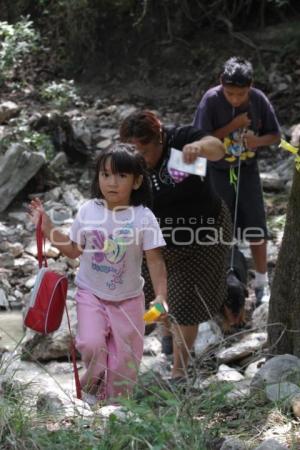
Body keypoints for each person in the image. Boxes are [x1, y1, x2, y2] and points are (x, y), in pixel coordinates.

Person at [28, 143, 167, 404]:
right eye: (105, 174)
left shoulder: (143, 217)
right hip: (91, 293)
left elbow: (156, 261)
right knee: (92, 344)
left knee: (125, 362)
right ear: (98, 177)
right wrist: (48, 228)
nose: (111, 182)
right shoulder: (88, 211)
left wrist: (161, 297)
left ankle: (114, 410)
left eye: (121, 176)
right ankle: (90, 394)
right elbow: (72, 250)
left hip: (129, 301)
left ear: (136, 181)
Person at [120, 110, 232, 382]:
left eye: (144, 151)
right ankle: (165, 335)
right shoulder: (129, 161)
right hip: (156, 239)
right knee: (153, 295)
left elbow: (218, 149)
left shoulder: (180, 138)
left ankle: (179, 372)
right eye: (134, 150)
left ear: (159, 139)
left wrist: (198, 147)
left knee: (187, 304)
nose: (140, 159)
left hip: (203, 235)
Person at [193, 56, 281, 306]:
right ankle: (221, 282)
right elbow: (201, 139)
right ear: (221, 83)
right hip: (218, 171)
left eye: (241, 94)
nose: (236, 99)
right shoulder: (211, 100)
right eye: (230, 93)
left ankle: (262, 282)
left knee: (256, 224)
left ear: (250, 86)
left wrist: (257, 141)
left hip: (248, 170)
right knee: (220, 227)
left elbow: (274, 135)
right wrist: (234, 124)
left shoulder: (259, 100)